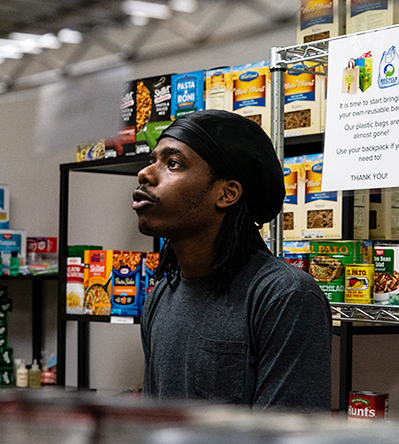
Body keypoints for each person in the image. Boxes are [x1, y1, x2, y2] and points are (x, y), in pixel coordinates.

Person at [133, 110, 331, 412]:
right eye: (154, 160)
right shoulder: (161, 296)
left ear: (227, 193)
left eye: (173, 163)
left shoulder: (284, 297)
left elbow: (286, 439)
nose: (146, 173)